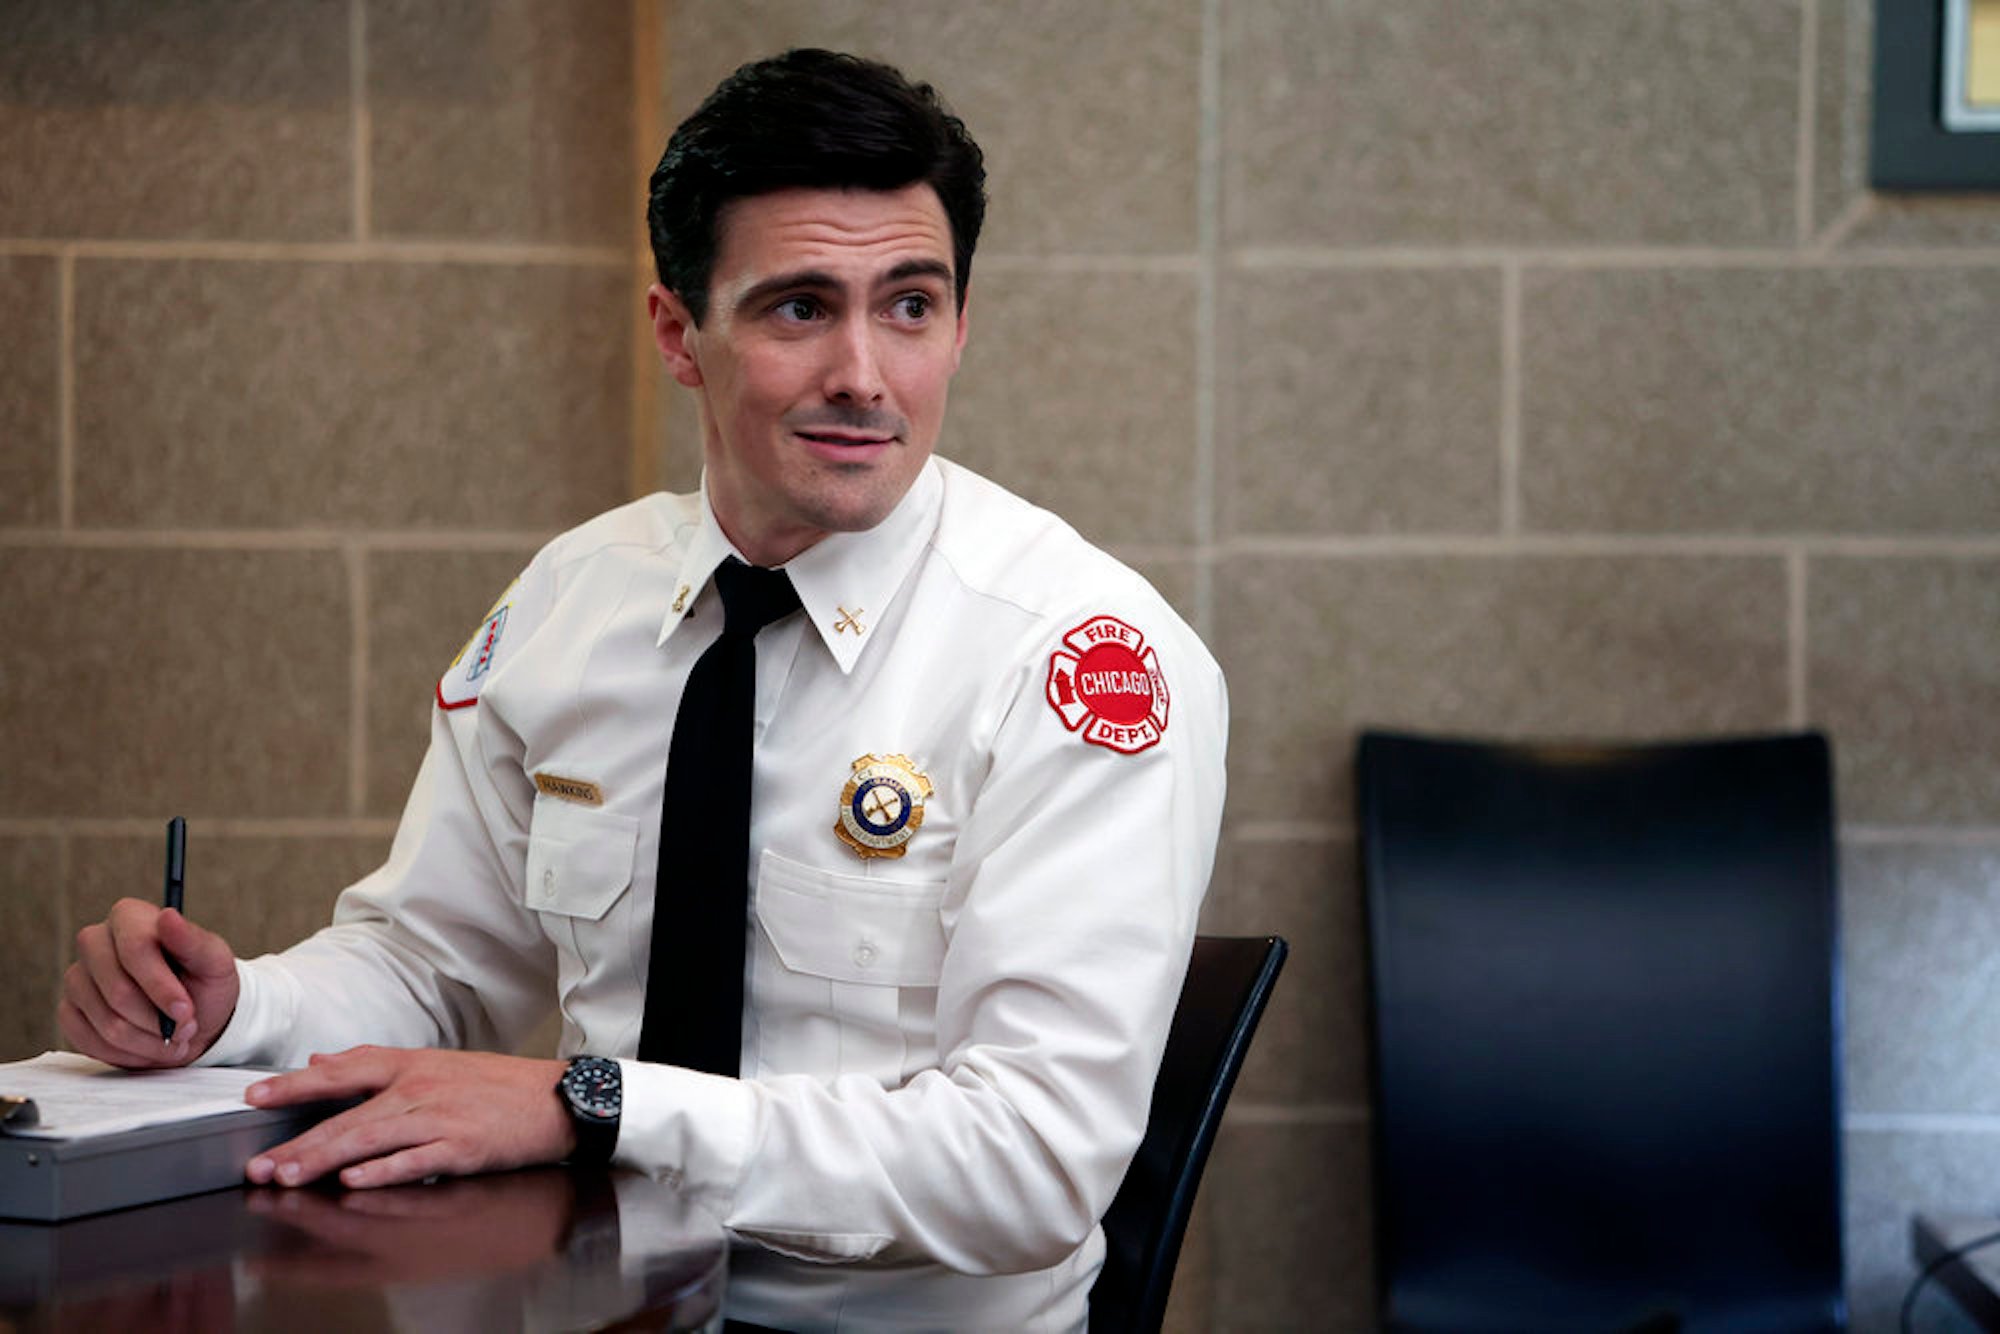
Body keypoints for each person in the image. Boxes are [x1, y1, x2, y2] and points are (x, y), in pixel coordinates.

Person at [59, 48, 1226, 1331]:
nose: (864, 374)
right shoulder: (577, 597)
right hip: (571, 1300)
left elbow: (1033, 1162)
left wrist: (595, 1104)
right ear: (679, 332)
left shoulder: (1080, 657)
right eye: (797, 308)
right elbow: (435, 963)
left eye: (909, 305)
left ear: (960, 324)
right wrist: (237, 1006)